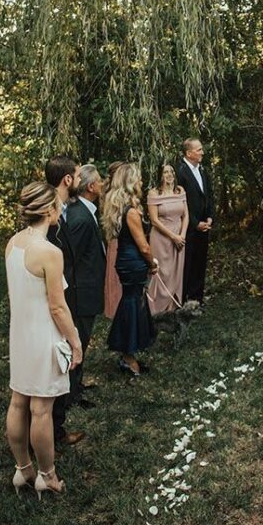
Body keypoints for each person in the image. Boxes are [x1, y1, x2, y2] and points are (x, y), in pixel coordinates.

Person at [5, 182, 82, 498]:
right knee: (41, 409)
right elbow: (57, 306)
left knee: (18, 400)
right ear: (48, 210)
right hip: (43, 336)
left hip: (20, 332)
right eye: (59, 205)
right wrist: (75, 340)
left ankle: (23, 469)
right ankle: (47, 476)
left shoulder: (13, 243)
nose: (62, 208)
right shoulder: (50, 252)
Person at [45, 154, 85, 450]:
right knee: (59, 363)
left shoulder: (65, 209)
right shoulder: (48, 218)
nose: (81, 182)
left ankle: (56, 425)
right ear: (67, 179)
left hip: (68, 293)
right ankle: (54, 431)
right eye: (79, 176)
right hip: (56, 299)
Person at [104, 163, 158, 378]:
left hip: (127, 261)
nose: (142, 182)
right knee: (132, 305)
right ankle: (127, 354)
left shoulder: (121, 207)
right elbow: (143, 245)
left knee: (132, 303)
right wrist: (152, 263)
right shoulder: (132, 212)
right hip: (133, 262)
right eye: (139, 179)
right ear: (131, 182)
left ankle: (128, 351)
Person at [66, 164, 107, 407]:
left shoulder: (85, 210)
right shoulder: (80, 217)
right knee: (78, 342)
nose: (102, 184)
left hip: (87, 288)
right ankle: (71, 395)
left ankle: (76, 385)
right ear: (91, 187)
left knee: (83, 339)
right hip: (81, 292)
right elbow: (71, 260)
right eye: (99, 181)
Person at [176, 139, 215, 309]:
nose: (202, 152)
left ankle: (197, 299)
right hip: (188, 228)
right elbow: (179, 202)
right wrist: (194, 223)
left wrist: (210, 217)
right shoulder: (180, 172)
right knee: (187, 265)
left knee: (200, 263)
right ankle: (184, 301)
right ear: (188, 153)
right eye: (199, 150)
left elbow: (209, 195)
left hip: (204, 225)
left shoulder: (203, 170)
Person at [147, 163, 188, 313]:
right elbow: (154, 220)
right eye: (165, 172)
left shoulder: (180, 190)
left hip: (179, 237)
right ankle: (156, 310)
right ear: (160, 175)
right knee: (162, 272)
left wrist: (182, 235)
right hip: (162, 238)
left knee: (177, 271)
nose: (169, 175)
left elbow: (186, 215)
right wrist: (173, 237)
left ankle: (173, 308)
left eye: (171, 171)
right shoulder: (154, 193)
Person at [102, 161, 124, 319]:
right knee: (117, 274)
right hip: (118, 237)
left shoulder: (111, 191)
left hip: (114, 237)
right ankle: (117, 306)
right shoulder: (113, 194)